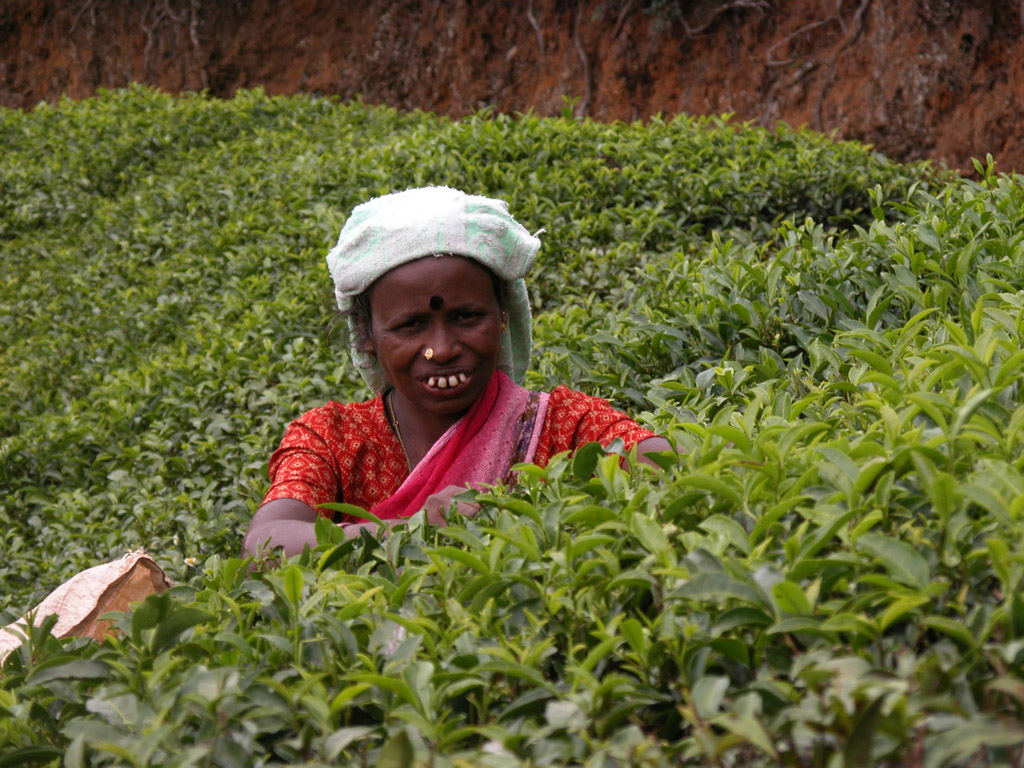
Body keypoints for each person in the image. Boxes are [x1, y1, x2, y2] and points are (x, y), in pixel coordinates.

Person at [242, 187, 671, 559]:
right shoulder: (333, 439)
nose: (441, 349)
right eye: (410, 325)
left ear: (503, 314)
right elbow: (266, 545)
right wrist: (412, 528)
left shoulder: (563, 424)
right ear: (366, 334)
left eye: (466, 317)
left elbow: (667, 467)